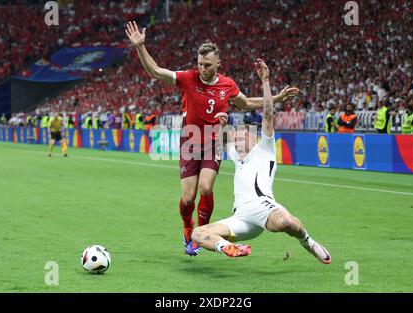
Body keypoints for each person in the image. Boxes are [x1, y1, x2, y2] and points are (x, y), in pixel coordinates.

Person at [125, 21, 299, 256]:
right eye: (200, 64)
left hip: (212, 142)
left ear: (218, 64)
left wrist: (276, 98)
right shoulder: (188, 78)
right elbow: (156, 72)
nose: (203, 68)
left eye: (207, 64)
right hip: (189, 141)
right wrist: (140, 47)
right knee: (188, 198)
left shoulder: (227, 85)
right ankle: (188, 228)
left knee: (206, 188)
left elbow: (246, 103)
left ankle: (200, 233)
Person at [191, 59, 331, 264]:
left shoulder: (264, 149)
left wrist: (265, 81)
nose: (237, 141)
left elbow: (267, 113)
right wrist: (221, 125)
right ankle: (229, 248)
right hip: (240, 217)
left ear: (253, 138)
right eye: (235, 138)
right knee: (198, 233)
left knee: (287, 222)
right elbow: (219, 139)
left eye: (241, 137)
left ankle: (307, 242)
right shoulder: (237, 157)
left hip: (262, 206)